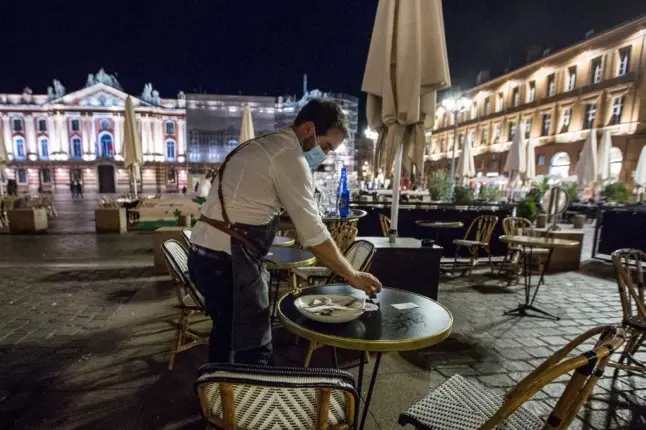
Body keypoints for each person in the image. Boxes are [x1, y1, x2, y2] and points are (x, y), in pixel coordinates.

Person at [188, 99, 382, 365]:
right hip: (227, 261)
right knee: (254, 347)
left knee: (226, 334)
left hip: (203, 254)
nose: (325, 155)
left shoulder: (265, 144)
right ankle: (246, 390)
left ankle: (217, 387)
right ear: (308, 129)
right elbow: (314, 234)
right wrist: (352, 274)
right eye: (326, 146)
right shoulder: (290, 158)